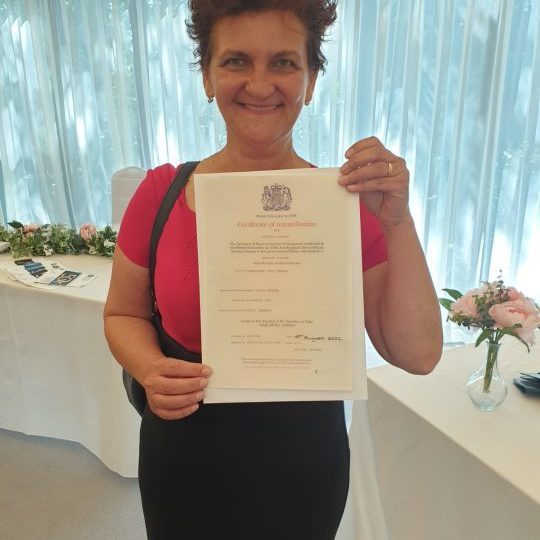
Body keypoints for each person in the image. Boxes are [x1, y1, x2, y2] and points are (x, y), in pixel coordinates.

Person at [103, 1, 443, 539]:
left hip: (301, 464)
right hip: (183, 452)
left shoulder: (348, 207)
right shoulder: (160, 194)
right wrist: (149, 368)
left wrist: (398, 221)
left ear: (310, 82)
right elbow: (122, 314)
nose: (260, 85)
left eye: (283, 62)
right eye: (236, 60)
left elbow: (418, 354)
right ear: (207, 77)